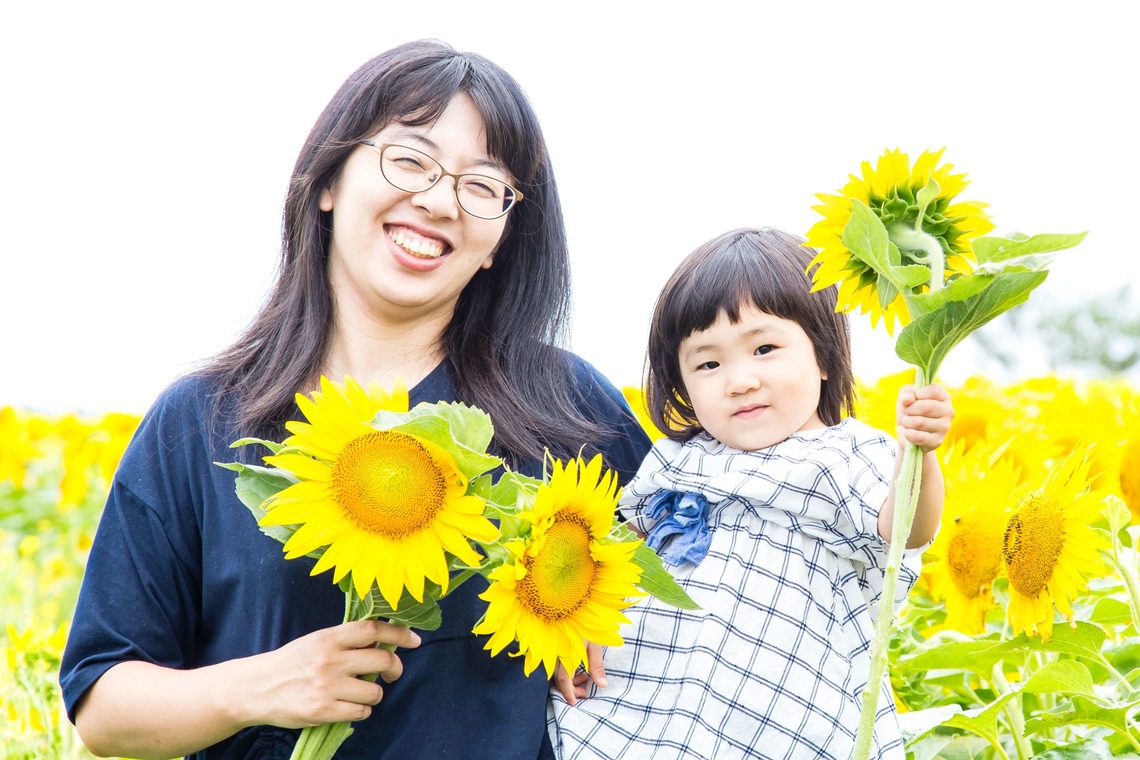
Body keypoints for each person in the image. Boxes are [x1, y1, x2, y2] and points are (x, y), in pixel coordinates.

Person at [59, 39, 651, 760]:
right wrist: (261, 687)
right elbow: (103, 704)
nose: (438, 201)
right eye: (409, 160)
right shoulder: (204, 423)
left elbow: (694, 586)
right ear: (329, 179)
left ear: (500, 236)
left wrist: (597, 609)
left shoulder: (568, 410)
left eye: (482, 185)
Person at [548, 227, 953, 759]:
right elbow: (625, 544)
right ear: (682, 383)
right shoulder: (678, 458)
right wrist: (583, 620)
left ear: (824, 356)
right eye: (708, 363)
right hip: (644, 711)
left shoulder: (848, 455)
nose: (739, 380)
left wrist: (917, 453)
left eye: (764, 348)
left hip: (785, 718)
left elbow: (906, 529)